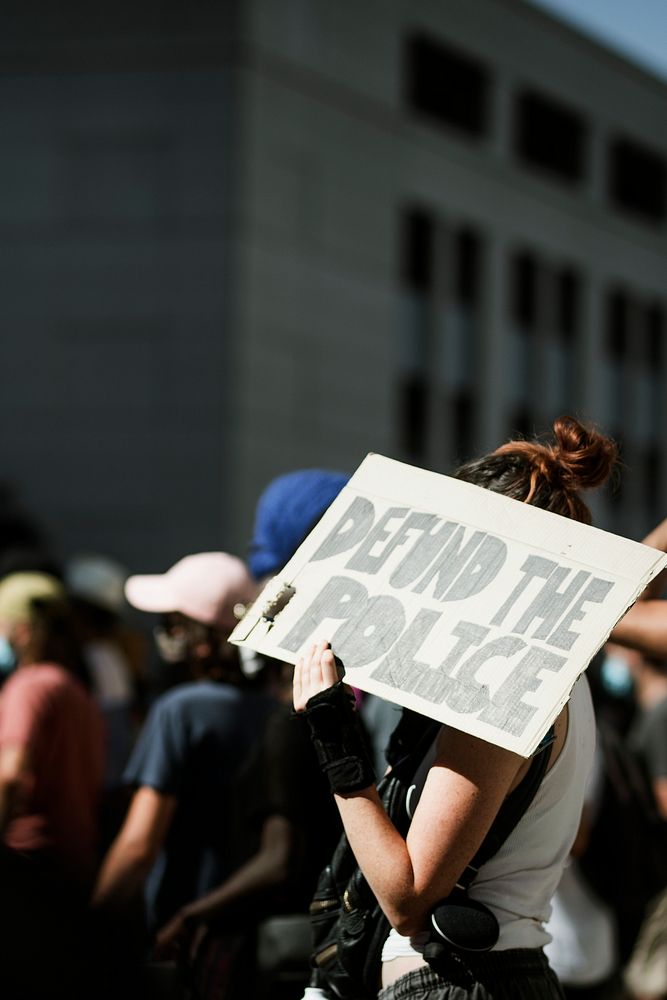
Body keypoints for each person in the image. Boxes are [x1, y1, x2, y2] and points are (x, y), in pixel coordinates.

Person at [293, 416, 618, 1000]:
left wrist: (337, 747)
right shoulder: (547, 670)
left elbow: (410, 899)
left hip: (461, 980)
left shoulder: (504, 680)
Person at [153, 472, 349, 1000]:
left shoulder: (297, 717)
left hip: (281, 955)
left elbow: (278, 859)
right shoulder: (334, 709)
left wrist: (193, 914)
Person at [93, 552, 273, 946]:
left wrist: (89, 926)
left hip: (182, 923)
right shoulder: (278, 709)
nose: (164, 633)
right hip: (251, 923)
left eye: (172, 623)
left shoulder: (179, 710)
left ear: (199, 637)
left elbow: (138, 846)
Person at [0, 571, 106, 997]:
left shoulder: (29, 686)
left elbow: (10, 775)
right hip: (71, 872)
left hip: (26, 872)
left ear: (22, 631)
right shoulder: (75, 690)